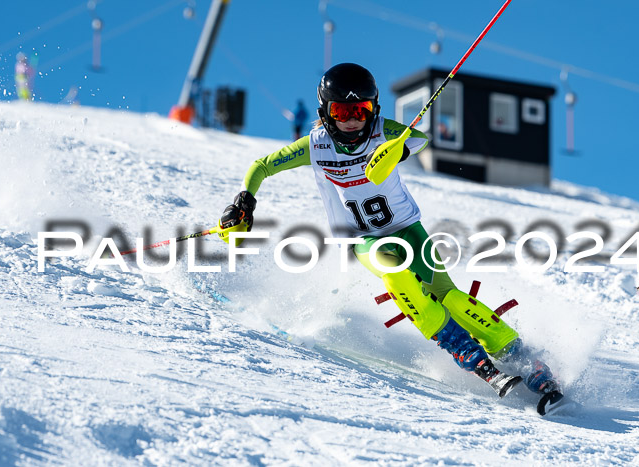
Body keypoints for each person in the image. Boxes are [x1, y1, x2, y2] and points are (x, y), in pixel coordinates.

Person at [216, 63, 561, 404]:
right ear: (326, 111)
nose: (352, 120)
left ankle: (521, 356)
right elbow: (261, 166)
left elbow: (420, 138)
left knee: (451, 297)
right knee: (396, 274)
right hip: (364, 239)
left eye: (361, 110)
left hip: (408, 229)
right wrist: (244, 200)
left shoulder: (384, 131)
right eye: (341, 111)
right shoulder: (315, 145)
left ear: (373, 109)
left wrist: (398, 148)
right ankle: (464, 350)